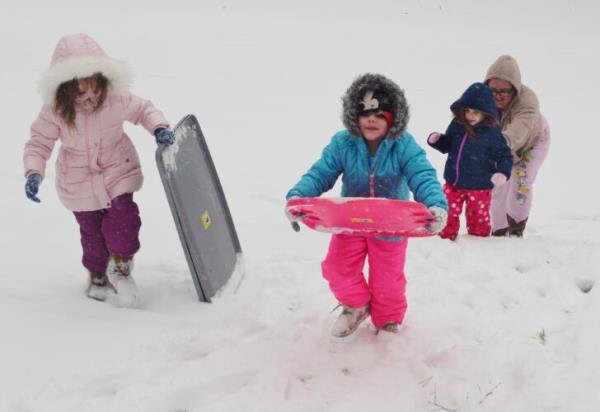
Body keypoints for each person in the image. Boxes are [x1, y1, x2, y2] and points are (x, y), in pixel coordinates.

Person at [285, 73, 448, 337]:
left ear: (393, 119)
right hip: (350, 222)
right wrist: (298, 197)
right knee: (337, 268)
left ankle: (387, 321)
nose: (372, 120)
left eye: (380, 115)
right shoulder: (343, 143)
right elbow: (321, 172)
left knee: (388, 281)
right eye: (365, 114)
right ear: (354, 116)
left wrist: (435, 204)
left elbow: (422, 174)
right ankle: (356, 306)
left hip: (391, 225)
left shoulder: (403, 145)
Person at [23, 33, 176, 305]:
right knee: (92, 236)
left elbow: (143, 110)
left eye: (88, 79)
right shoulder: (55, 111)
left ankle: (121, 268)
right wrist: (34, 172)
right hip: (78, 181)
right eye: (75, 82)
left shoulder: (116, 99)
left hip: (118, 171)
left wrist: (159, 127)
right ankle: (97, 277)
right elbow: (39, 142)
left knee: (124, 220)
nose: (83, 87)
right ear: (63, 85)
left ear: (100, 75)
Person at [428, 82, 513, 240]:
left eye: (475, 112)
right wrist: (438, 141)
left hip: (479, 187)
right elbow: (448, 145)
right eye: (467, 111)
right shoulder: (457, 125)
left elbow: (504, 155)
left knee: (478, 219)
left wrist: (503, 172)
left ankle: (478, 243)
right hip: (453, 183)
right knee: (448, 212)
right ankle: (445, 240)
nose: (470, 116)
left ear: (485, 112)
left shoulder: (492, 133)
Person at [484, 55, 551, 237]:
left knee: (521, 179)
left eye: (504, 91)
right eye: (493, 90)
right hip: (501, 144)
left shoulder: (528, 101)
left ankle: (516, 226)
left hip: (532, 141)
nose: (498, 96)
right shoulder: (482, 98)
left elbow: (518, 130)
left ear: (514, 89)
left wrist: (496, 146)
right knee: (499, 183)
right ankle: (499, 229)